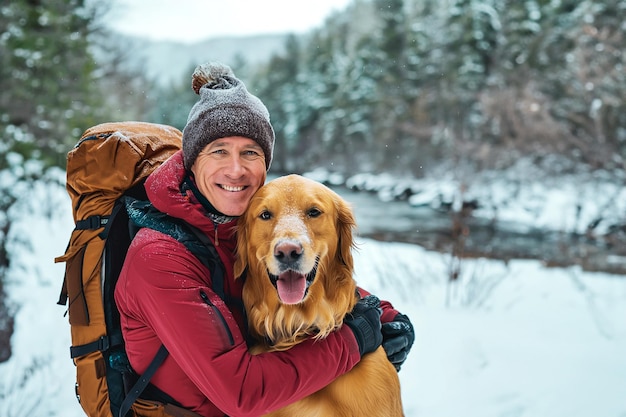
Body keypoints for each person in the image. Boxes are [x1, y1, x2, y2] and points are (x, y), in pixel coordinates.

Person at [114, 62, 414, 417]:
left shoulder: (233, 223)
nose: (236, 169)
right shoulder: (158, 256)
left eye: (250, 153)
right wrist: (353, 339)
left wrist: (382, 315)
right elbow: (242, 394)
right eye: (219, 151)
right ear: (192, 162)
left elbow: (312, 272)